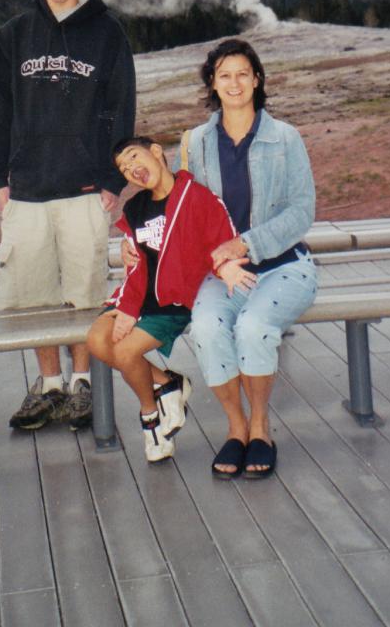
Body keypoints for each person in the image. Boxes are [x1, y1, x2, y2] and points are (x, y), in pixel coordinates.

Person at [0, 0, 136, 431]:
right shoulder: (13, 35)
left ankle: (81, 383)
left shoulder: (107, 32)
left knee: (86, 292)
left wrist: (112, 181)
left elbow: (121, 108)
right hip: (26, 188)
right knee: (32, 295)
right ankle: (48, 386)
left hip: (85, 189)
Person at [176, 38, 317, 479]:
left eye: (243, 73)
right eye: (224, 75)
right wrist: (136, 240)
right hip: (222, 273)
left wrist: (245, 246)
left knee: (254, 328)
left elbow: (302, 211)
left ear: (257, 80)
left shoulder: (284, 137)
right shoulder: (196, 142)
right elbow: (182, 212)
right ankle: (235, 428)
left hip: (283, 268)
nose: (234, 83)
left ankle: (260, 425)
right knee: (206, 327)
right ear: (212, 85)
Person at [87, 136, 249, 462]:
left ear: (157, 153)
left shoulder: (197, 198)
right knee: (97, 341)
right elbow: (135, 266)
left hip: (172, 302)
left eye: (135, 157)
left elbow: (223, 241)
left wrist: (227, 268)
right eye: (124, 167)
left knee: (126, 350)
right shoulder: (135, 208)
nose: (132, 168)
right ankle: (167, 384)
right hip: (138, 294)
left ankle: (151, 417)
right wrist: (129, 309)